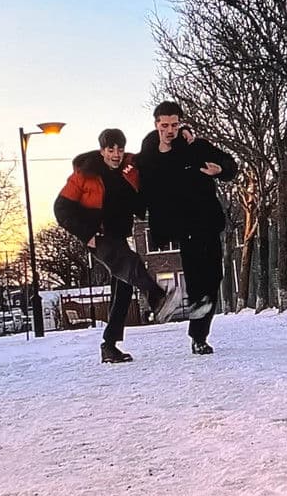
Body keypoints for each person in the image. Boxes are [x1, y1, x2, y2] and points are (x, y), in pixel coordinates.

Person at [53, 128, 199, 363]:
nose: (116, 155)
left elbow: (152, 147)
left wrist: (179, 132)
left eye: (119, 149)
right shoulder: (84, 174)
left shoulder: (130, 166)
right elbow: (61, 209)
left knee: (123, 288)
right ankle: (156, 297)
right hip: (98, 236)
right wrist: (86, 233)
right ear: (102, 151)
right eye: (110, 150)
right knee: (129, 263)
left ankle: (109, 346)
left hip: (119, 235)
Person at [136, 101, 238, 355]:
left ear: (180, 123)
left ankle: (200, 323)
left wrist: (221, 169)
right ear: (156, 125)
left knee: (213, 277)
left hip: (207, 220)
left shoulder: (196, 147)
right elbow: (139, 189)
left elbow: (229, 164)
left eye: (174, 124)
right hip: (182, 227)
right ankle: (198, 337)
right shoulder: (148, 158)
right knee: (195, 278)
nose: (170, 130)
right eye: (164, 125)